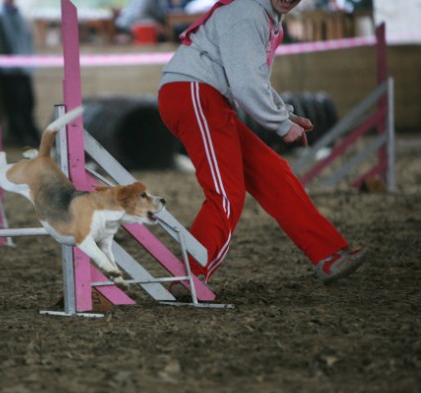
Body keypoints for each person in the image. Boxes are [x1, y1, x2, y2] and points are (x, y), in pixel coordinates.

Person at [157, 0, 366, 288]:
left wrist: (288, 114)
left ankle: (328, 255)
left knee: (274, 173)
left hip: (206, 97)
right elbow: (246, 85)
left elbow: (253, 79)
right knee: (226, 194)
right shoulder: (248, 12)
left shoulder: (265, 16)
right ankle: (189, 274)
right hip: (193, 93)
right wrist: (282, 125)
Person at [0, 0, 41, 147]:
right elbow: (1, 44)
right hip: (10, 70)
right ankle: (22, 135)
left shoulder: (20, 16)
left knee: (28, 102)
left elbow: (27, 40)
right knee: (16, 104)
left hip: (24, 69)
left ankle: (28, 133)